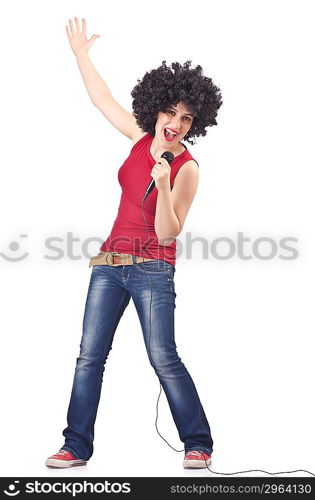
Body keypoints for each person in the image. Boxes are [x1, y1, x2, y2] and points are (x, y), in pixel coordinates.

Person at [46, 17, 222, 470]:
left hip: (152, 269)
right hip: (109, 263)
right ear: (157, 110)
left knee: (163, 357)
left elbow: (168, 232)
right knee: (89, 356)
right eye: (171, 113)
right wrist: (82, 54)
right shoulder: (139, 137)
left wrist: (163, 184)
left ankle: (198, 443)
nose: (177, 124)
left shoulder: (188, 168)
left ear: (194, 123)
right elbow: (102, 99)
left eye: (187, 118)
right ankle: (75, 446)